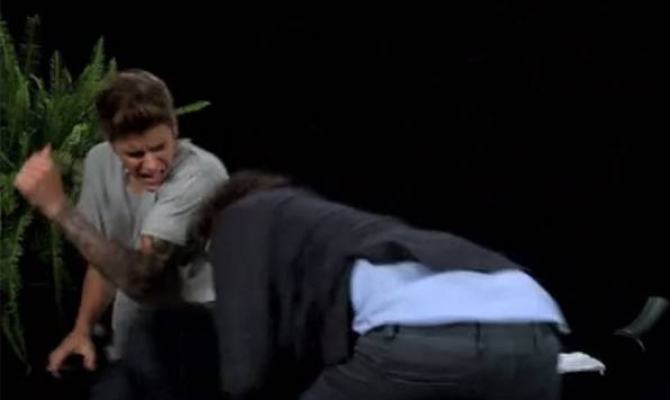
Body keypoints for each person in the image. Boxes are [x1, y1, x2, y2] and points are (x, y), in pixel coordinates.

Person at [198, 171, 568, 400]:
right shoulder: (347, 231)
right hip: (536, 332)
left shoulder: (238, 216)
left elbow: (245, 360)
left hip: (425, 337)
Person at [13, 69, 228, 377]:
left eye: (159, 147)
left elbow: (144, 277)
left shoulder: (200, 175)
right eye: (135, 153)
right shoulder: (99, 161)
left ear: (174, 127)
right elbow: (104, 258)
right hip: (134, 331)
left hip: (201, 325)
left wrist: (59, 208)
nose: (152, 165)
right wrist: (82, 329)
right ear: (112, 145)